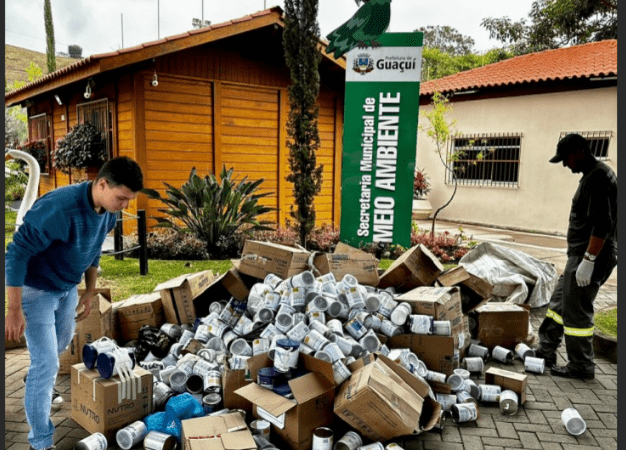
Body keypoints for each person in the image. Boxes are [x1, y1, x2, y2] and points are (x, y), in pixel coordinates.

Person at [5, 156, 144, 450]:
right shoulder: (59, 207)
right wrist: (14, 309)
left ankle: (38, 379)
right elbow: (16, 253)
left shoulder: (108, 210)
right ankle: (40, 442)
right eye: (122, 198)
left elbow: (93, 251)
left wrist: (90, 291)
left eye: (129, 200)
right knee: (47, 363)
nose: (125, 206)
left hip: (67, 288)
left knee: (61, 343)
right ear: (102, 184)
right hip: (36, 290)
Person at [535, 134, 617, 380]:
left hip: (589, 257)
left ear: (580, 151)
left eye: (566, 159)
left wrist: (589, 261)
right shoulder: (596, 174)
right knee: (559, 304)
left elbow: (602, 224)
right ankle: (546, 351)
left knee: (577, 312)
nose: (565, 165)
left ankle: (581, 365)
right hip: (581, 257)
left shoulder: (597, 178)